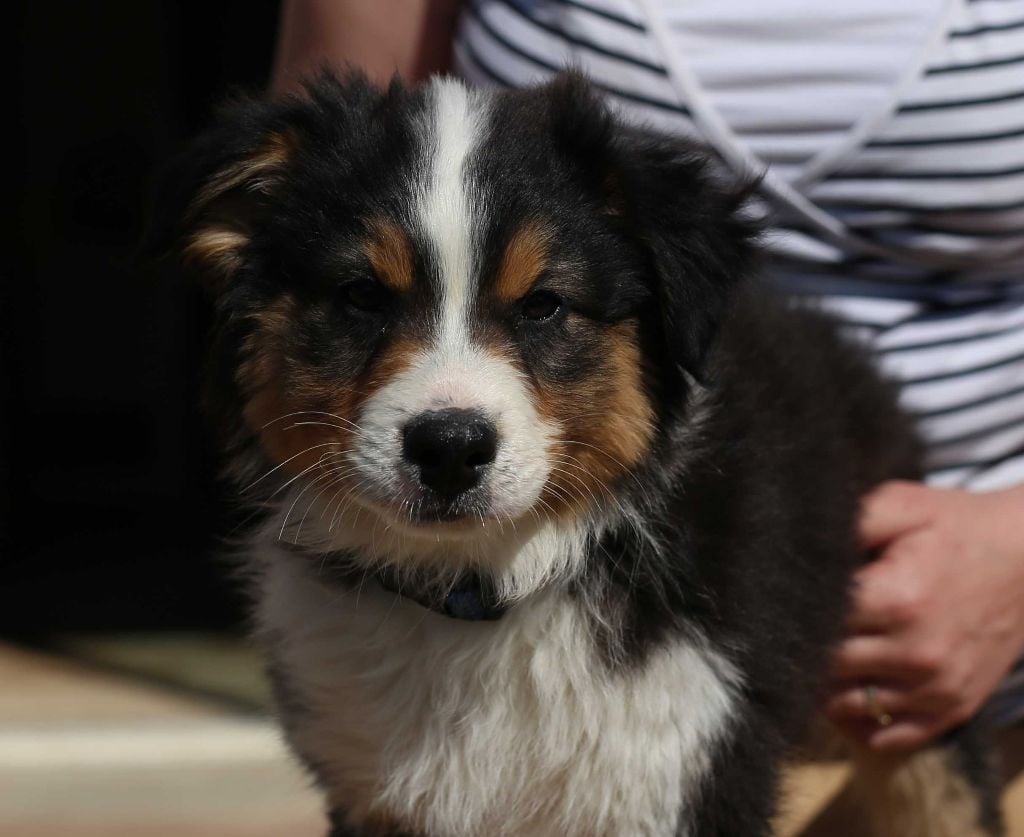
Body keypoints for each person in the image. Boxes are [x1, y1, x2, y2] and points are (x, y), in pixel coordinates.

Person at [270, 0, 1024, 753]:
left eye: (541, 303)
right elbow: (311, 201)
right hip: (431, 616)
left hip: (967, 651)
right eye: (368, 298)